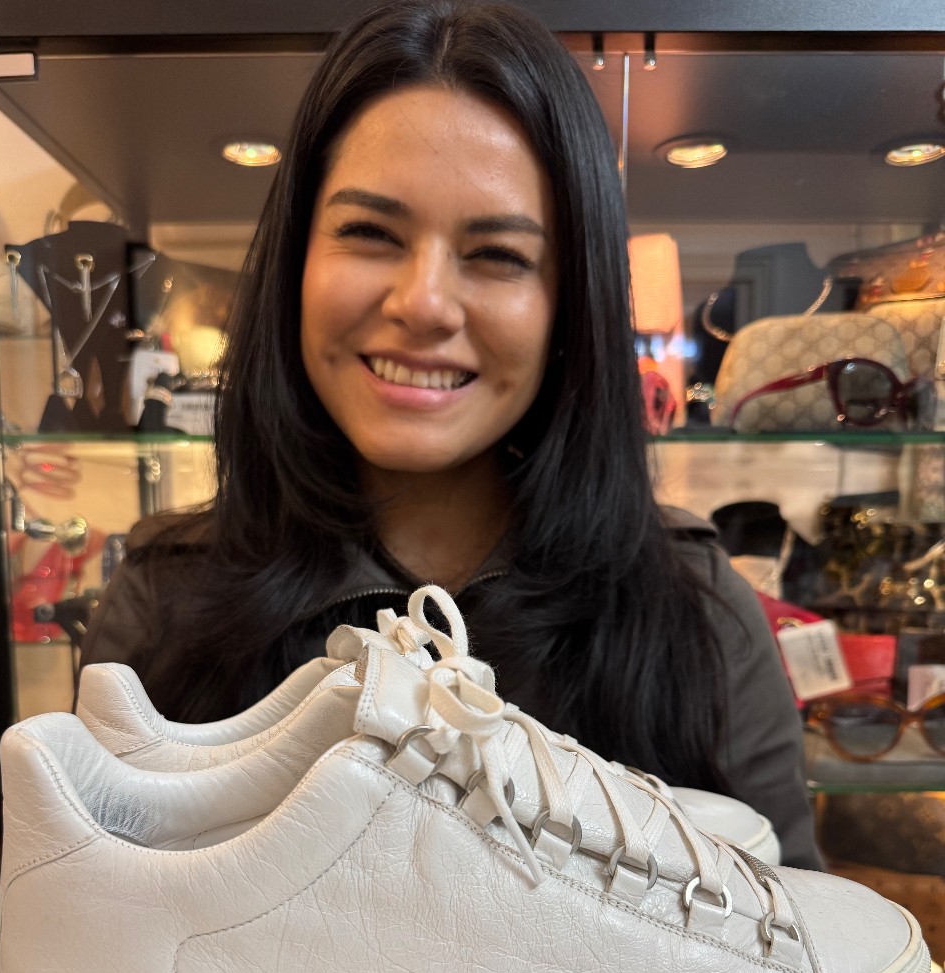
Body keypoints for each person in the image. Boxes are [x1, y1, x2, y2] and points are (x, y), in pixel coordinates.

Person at [78, 0, 821, 869]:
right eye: (369, 233)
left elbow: (795, 927)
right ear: (294, 261)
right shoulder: (165, 604)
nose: (423, 303)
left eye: (498, 255)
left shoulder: (699, 618)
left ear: (570, 305)